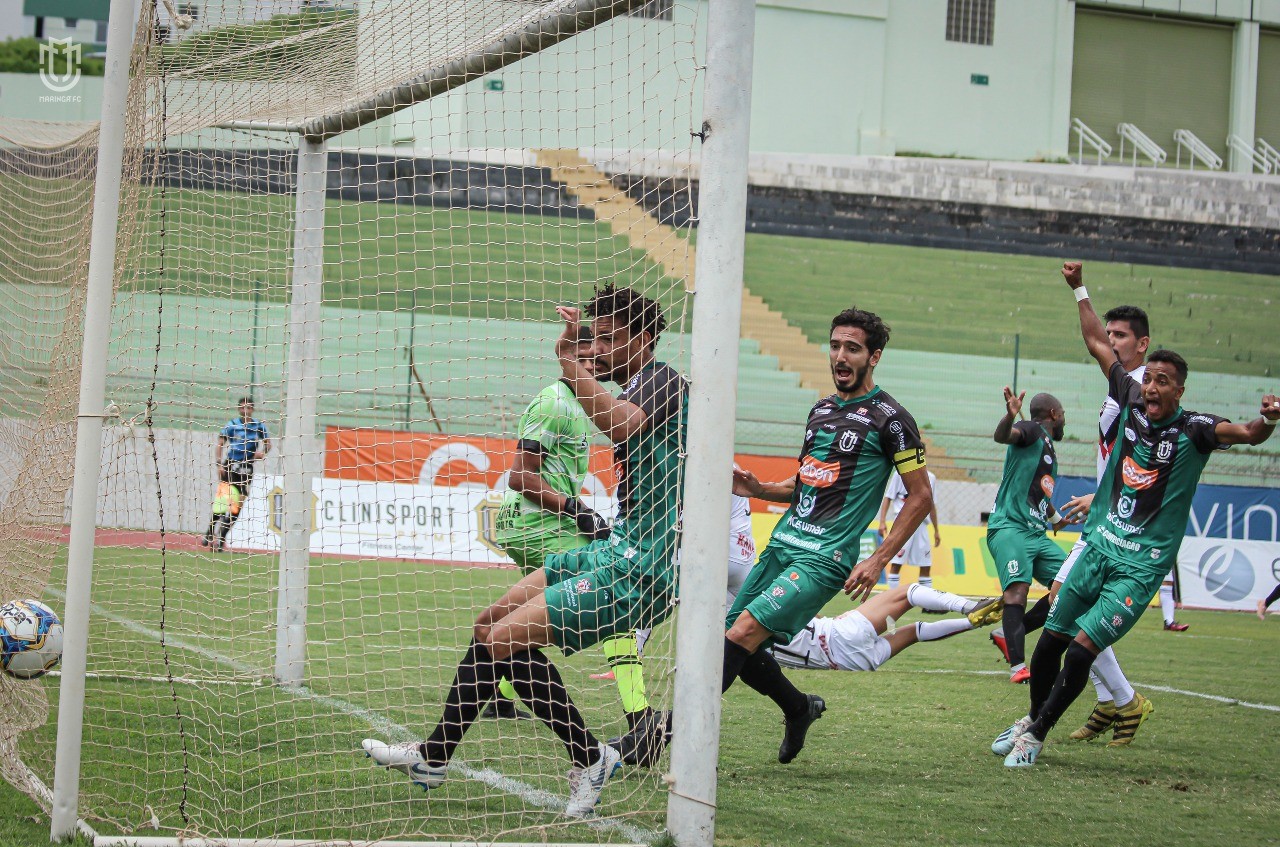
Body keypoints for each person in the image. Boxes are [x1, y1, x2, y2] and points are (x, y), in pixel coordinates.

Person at [362, 285, 687, 818]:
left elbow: (622, 424)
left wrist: (567, 361)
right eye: (592, 339)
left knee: (504, 640)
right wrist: (572, 363)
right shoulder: (631, 385)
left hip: (644, 567)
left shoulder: (663, 380)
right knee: (488, 624)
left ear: (644, 339)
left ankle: (574, 757)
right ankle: (449, 757)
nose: (597, 350)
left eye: (607, 339)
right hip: (617, 549)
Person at [994, 261, 1280, 768]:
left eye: (1161, 382)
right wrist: (1078, 288)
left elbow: (1249, 433)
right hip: (1100, 545)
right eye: (1147, 381)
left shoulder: (1197, 430)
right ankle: (1036, 720)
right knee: (1047, 647)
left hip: (1140, 564)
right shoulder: (1127, 394)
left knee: (1080, 652)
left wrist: (1269, 419)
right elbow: (1096, 345)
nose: (1149, 388)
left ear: (1179, 391)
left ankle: (1038, 733)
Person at [725, 306, 932, 765]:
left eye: (852, 349)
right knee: (737, 643)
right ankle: (799, 708)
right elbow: (805, 482)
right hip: (783, 544)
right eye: (835, 346)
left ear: (874, 356)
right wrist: (759, 489)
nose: (840, 356)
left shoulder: (892, 420)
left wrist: (876, 560)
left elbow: (919, 497)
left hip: (825, 558)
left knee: (740, 634)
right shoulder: (819, 411)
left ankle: (664, 735)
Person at [487, 326, 652, 728]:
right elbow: (519, 477)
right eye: (585, 356)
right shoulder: (554, 402)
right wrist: (575, 510)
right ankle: (640, 716)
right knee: (613, 598)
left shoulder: (581, 405)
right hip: (534, 521)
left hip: (538, 522)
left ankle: (500, 695)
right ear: (568, 360)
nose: (595, 361)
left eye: (599, 354)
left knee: (527, 618)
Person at [1044, 303, 1155, 746]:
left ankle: (1123, 700)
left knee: (1062, 602)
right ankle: (1113, 700)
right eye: (1110, 333)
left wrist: (1104, 495)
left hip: (1118, 521)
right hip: (1103, 520)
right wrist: (1079, 292)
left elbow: (1146, 459)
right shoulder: (1120, 385)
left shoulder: (1146, 390)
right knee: (1068, 606)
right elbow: (1093, 342)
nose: (1111, 341)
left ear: (1142, 344)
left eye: (1121, 335)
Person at [986, 387, 1070, 684]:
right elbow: (1003, 436)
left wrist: (1057, 519)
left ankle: (1008, 631)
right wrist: (1009, 417)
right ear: (1054, 414)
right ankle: (1018, 666)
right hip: (1011, 528)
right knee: (1017, 591)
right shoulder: (1031, 430)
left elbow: (1039, 495)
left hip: (1036, 534)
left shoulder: (1046, 446)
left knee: (1070, 585)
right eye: (1063, 417)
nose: (1064, 422)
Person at [770, 584, 1003, 672]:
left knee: (913, 632)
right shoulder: (759, 610)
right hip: (841, 636)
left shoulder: (743, 643)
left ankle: (972, 622)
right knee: (907, 592)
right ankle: (970, 606)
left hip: (853, 663)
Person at [202, 396, 271, 552]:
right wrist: (219, 464)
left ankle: (221, 538)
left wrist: (263, 452)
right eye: (242, 407)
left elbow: (268, 444)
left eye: (248, 407)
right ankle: (210, 531)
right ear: (239, 409)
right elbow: (220, 444)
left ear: (252, 409)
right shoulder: (232, 425)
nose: (245, 410)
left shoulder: (258, 426)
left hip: (246, 469)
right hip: (230, 467)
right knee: (222, 502)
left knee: (236, 507)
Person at [877, 469, 941, 590]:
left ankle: (927, 603)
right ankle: (892, 598)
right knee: (896, 563)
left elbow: (931, 505)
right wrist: (882, 521)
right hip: (903, 523)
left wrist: (936, 530)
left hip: (922, 524)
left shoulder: (931, 477)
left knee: (926, 564)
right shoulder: (899, 473)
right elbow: (888, 497)